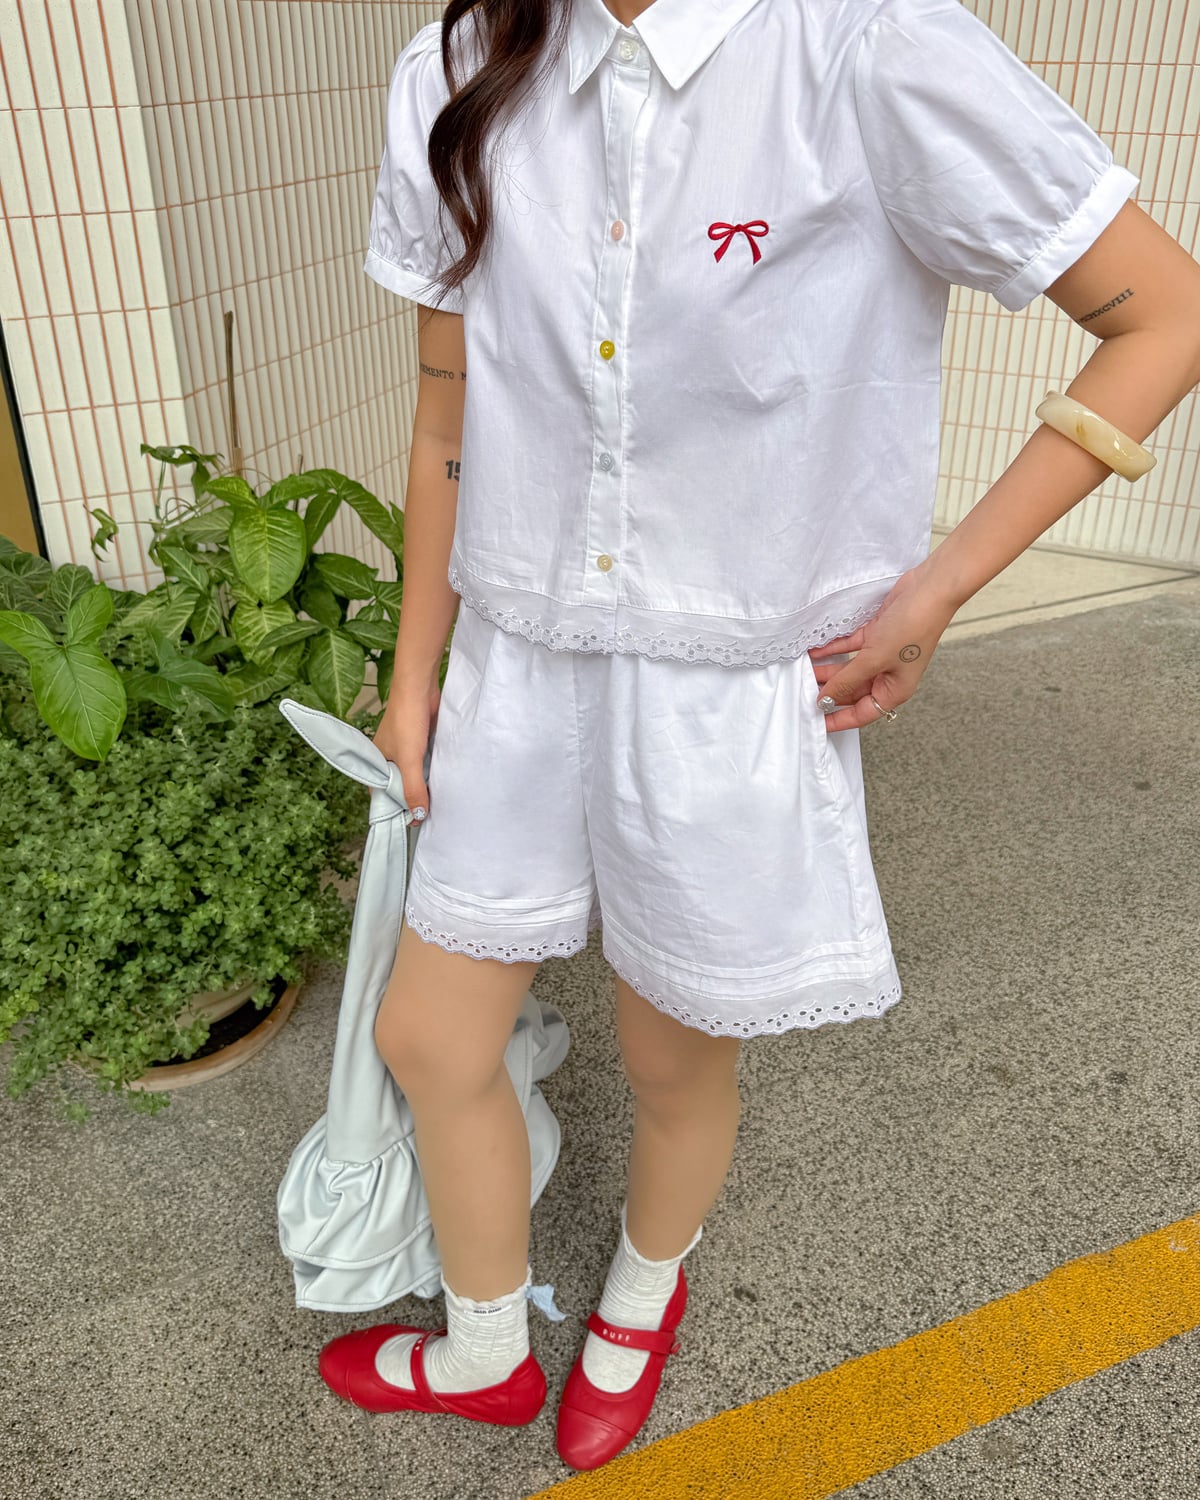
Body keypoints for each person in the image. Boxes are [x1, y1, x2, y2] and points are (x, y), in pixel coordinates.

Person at [317, 0, 1200, 1473]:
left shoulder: (870, 50)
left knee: (672, 1061)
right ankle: (483, 1351)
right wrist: (417, 677)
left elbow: (1164, 312)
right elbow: (447, 405)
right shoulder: (461, 66)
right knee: (427, 1033)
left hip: (720, 688)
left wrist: (939, 588)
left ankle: (636, 1303)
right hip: (517, 662)